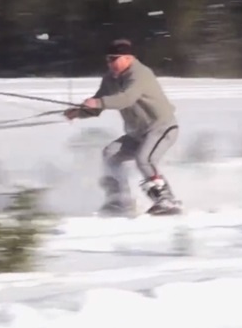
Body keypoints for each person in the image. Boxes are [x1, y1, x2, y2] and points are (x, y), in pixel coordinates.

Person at [63, 39, 182, 216]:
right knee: (110, 154)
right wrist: (79, 112)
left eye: (113, 59)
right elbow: (98, 106)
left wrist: (97, 102)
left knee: (144, 159)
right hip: (137, 133)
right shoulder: (109, 79)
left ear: (128, 58)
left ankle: (167, 200)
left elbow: (126, 98)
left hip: (161, 128)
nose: (109, 63)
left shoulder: (140, 74)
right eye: (108, 59)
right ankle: (119, 200)